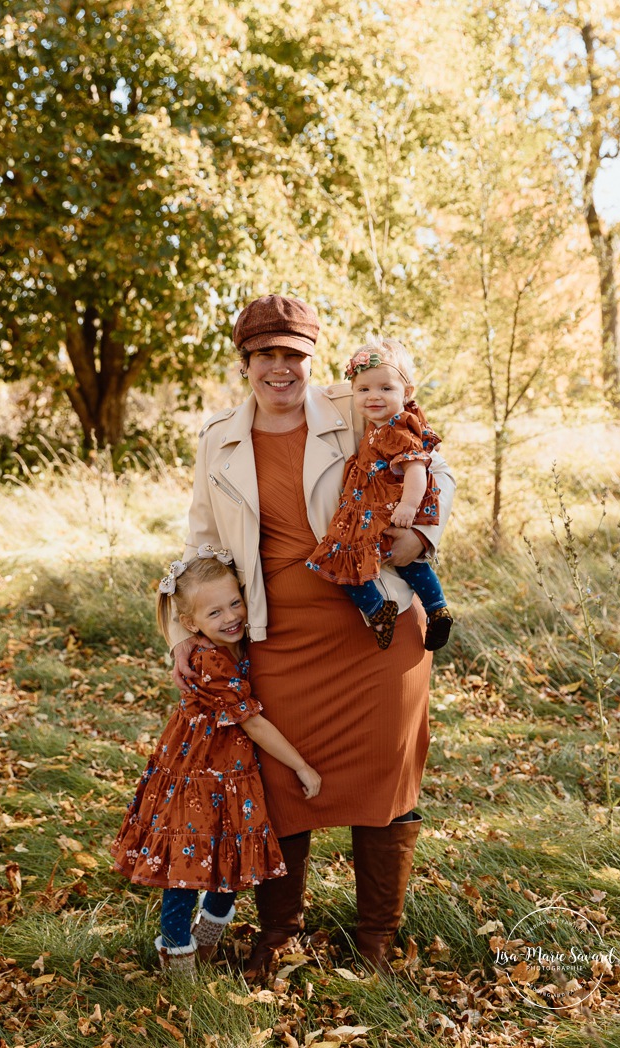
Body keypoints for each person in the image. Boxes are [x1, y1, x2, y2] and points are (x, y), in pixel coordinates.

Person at [170, 294, 455, 975]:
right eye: (265, 355)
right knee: (277, 782)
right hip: (274, 640)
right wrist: (182, 631)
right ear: (245, 362)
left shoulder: (357, 406)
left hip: (378, 635)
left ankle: (376, 942)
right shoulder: (218, 438)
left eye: (292, 355)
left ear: (310, 359)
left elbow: (432, 462)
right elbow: (200, 544)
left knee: (383, 783)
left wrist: (417, 534)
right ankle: (279, 934)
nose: (280, 369)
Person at [110, 549, 321, 976]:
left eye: (235, 603)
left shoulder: (239, 643)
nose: (230, 616)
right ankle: (177, 956)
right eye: (215, 611)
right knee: (187, 863)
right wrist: (302, 765)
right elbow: (255, 724)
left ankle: (208, 938)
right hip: (196, 773)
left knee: (228, 851)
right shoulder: (209, 661)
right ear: (191, 625)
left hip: (230, 774)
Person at [306, 339, 453, 652]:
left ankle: (382, 611)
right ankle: (434, 607)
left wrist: (408, 507)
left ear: (407, 392)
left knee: (345, 560)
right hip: (375, 505)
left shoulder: (397, 429)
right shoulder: (379, 425)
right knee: (404, 563)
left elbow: (415, 469)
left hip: (388, 507)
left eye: (386, 388)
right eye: (363, 390)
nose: (374, 396)